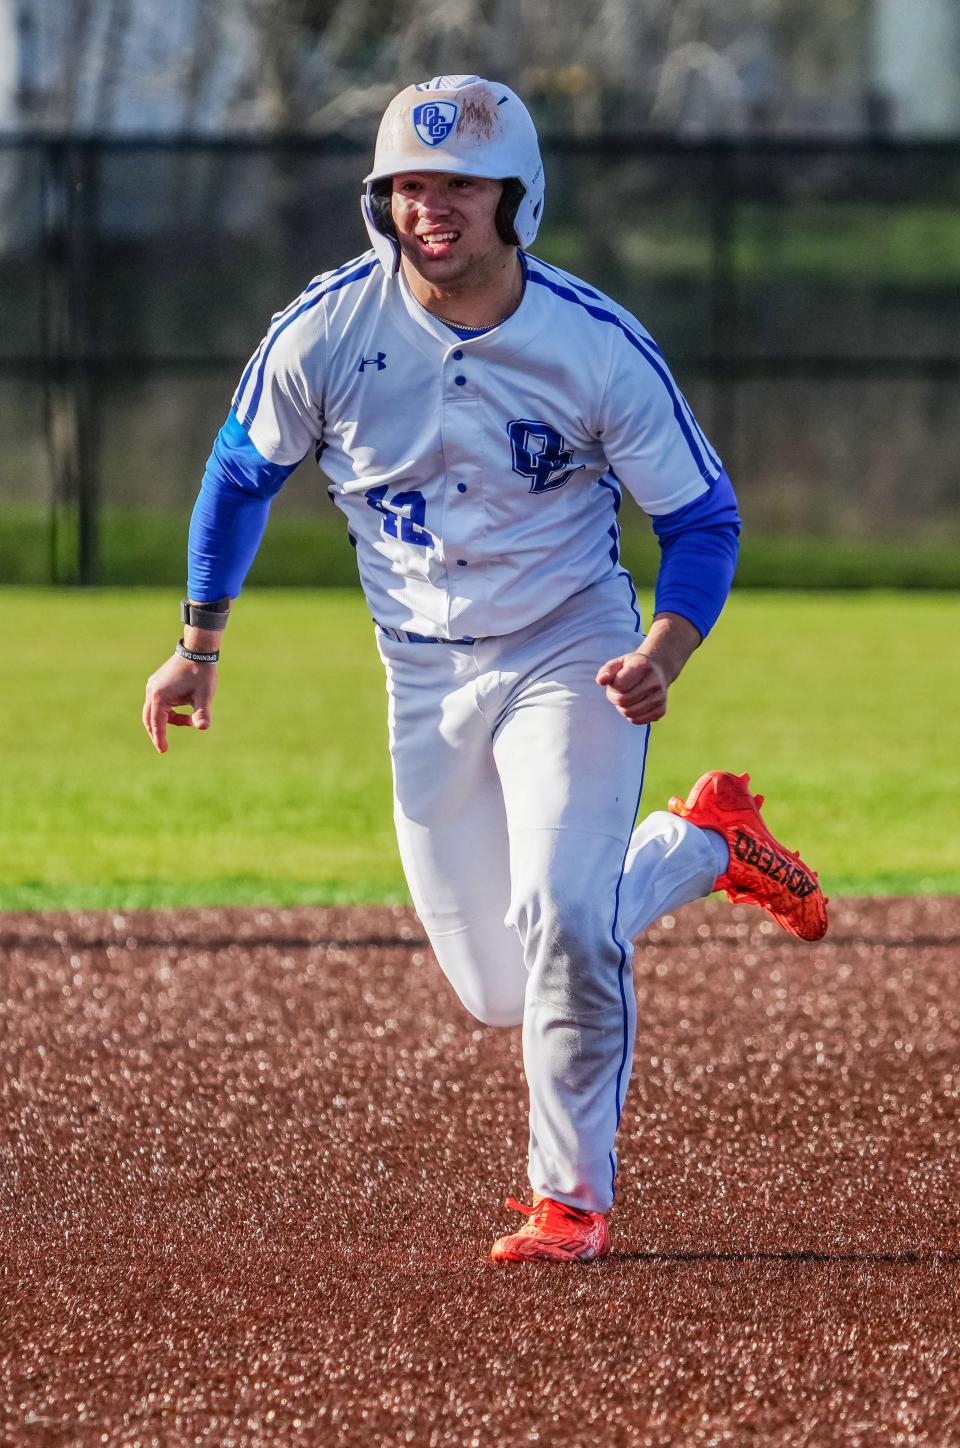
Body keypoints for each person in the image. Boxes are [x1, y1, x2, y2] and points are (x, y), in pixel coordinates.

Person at [143, 76, 826, 1264]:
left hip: (574, 649)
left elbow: (703, 514)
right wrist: (199, 645)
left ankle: (570, 1197)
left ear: (518, 198)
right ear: (379, 201)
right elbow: (239, 474)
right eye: (409, 184)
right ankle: (708, 840)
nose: (431, 206)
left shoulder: (591, 343)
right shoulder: (327, 330)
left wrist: (667, 642)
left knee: (565, 916)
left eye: (458, 183)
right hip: (420, 675)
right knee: (500, 991)